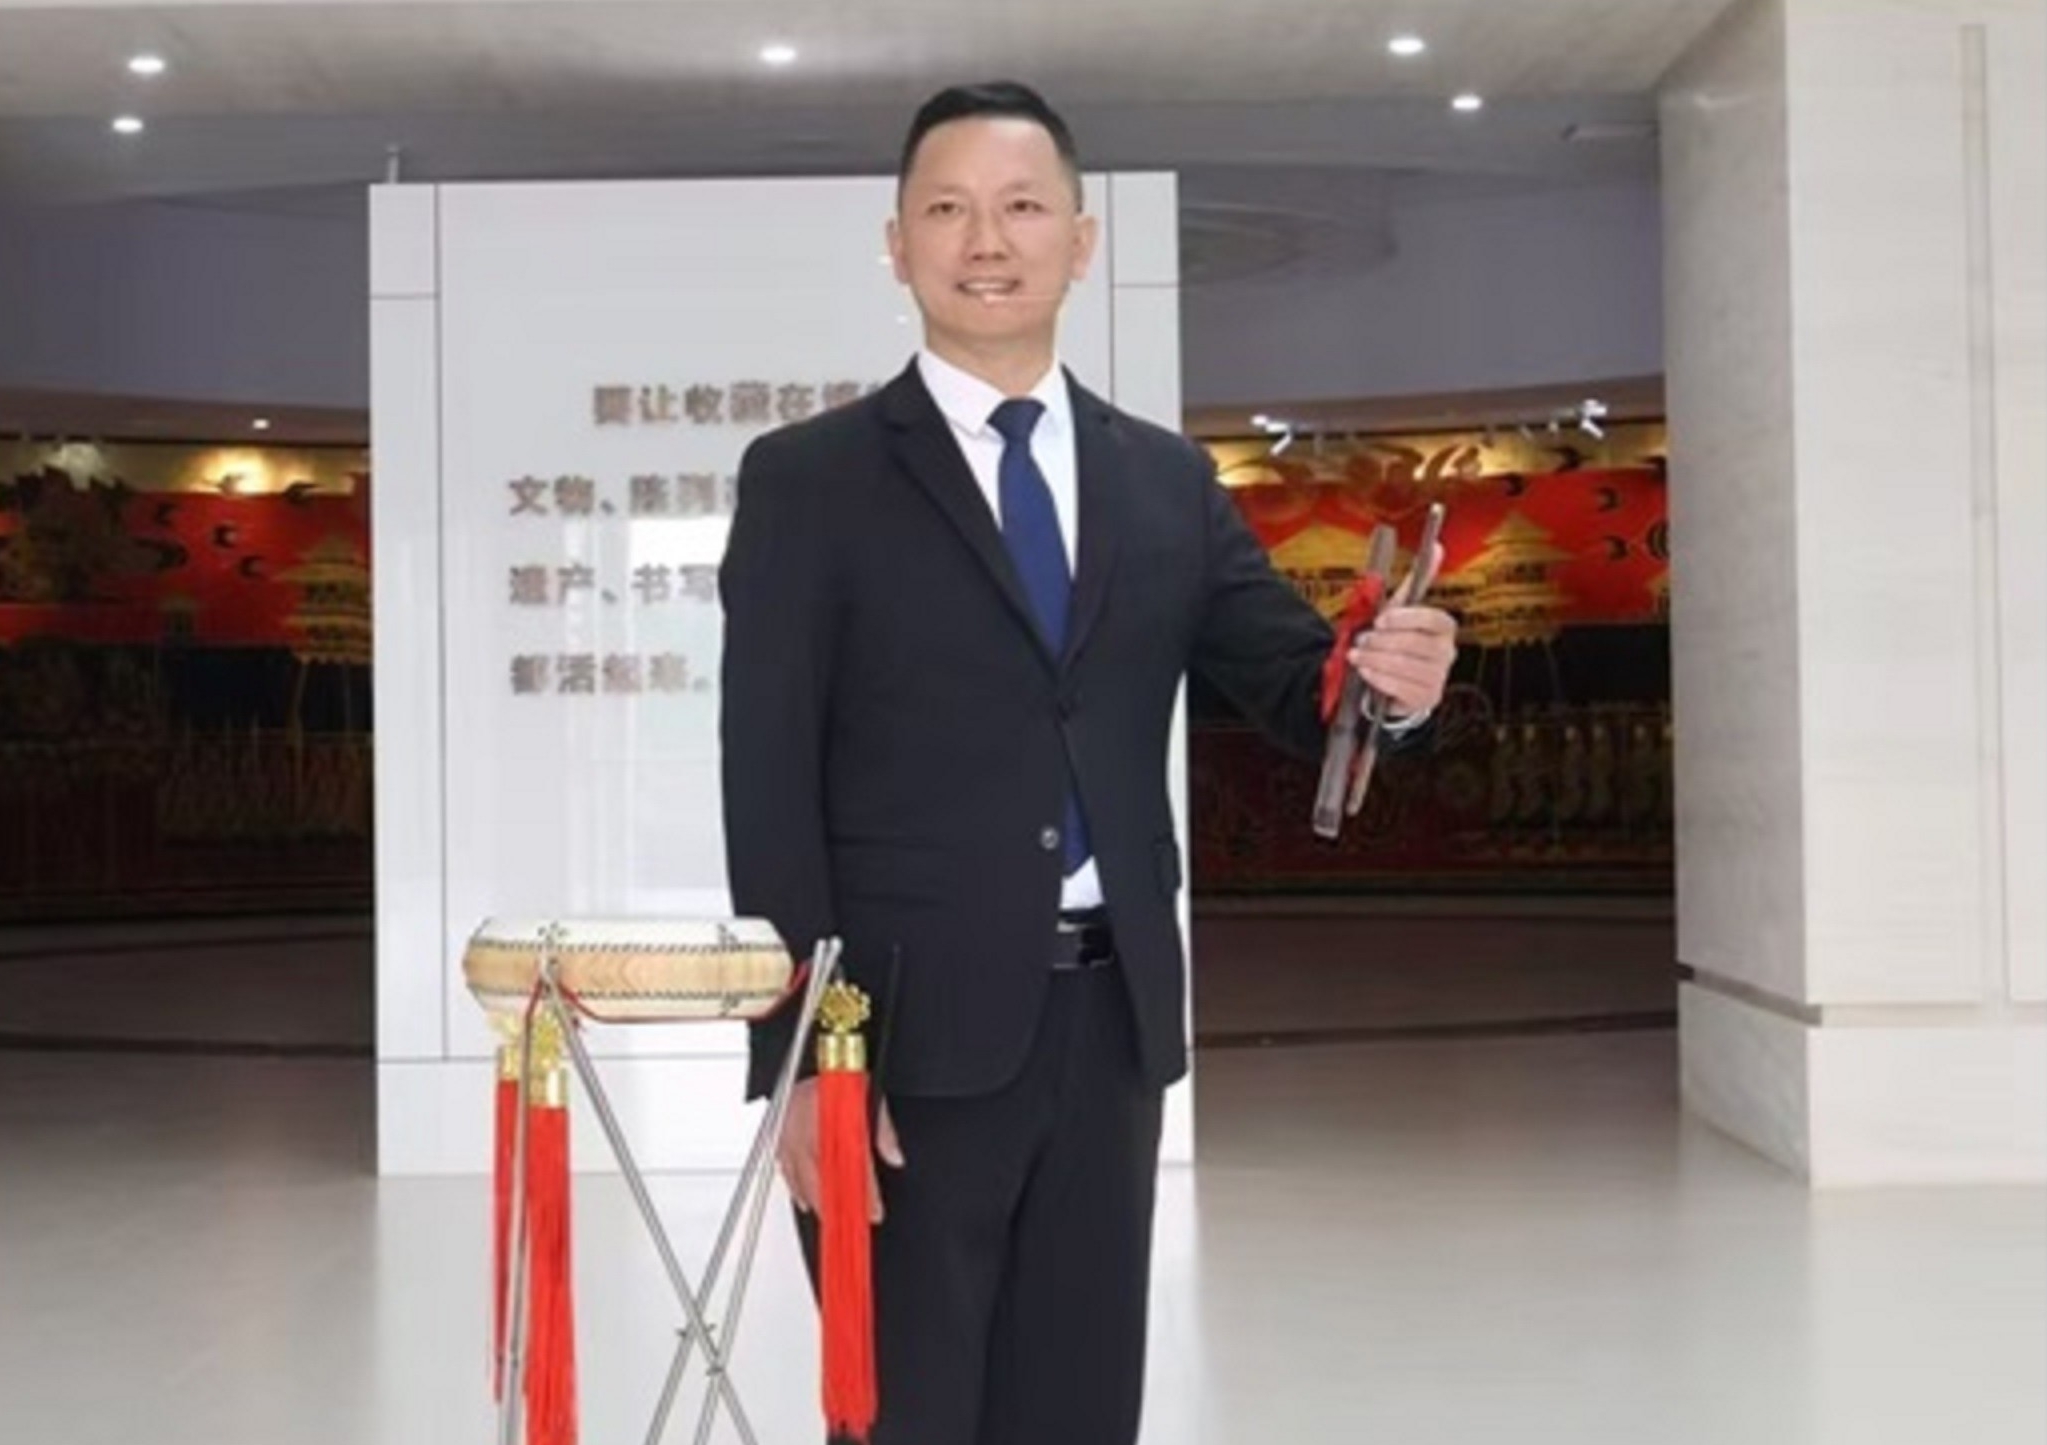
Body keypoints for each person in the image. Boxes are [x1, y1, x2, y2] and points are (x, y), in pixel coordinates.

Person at [719, 79, 1458, 1445]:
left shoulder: (1162, 480)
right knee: (904, 1418)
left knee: (1077, 1412)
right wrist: (803, 1060)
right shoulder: (809, 481)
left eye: (1020, 207)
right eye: (948, 210)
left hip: (1111, 1031)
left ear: (1081, 239)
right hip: (899, 1043)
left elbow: (1302, 689)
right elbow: (766, 786)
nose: (985, 241)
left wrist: (1393, 690)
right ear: (897, 244)